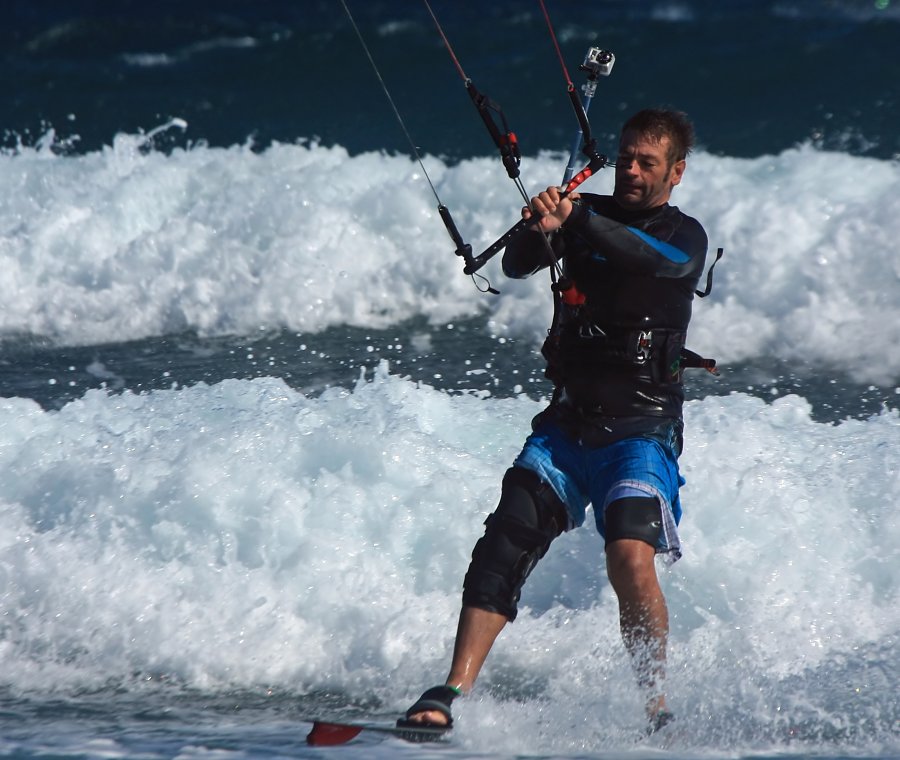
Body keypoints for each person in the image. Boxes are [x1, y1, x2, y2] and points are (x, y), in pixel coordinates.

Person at [400, 108, 710, 735]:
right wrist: (540, 226)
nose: (630, 169)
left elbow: (654, 262)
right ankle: (449, 689)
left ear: (675, 172)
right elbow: (516, 265)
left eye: (647, 162)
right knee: (504, 541)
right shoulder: (582, 213)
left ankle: (657, 707)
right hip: (568, 425)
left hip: (641, 430)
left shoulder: (682, 237)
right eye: (625, 156)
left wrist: (578, 218)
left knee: (628, 553)